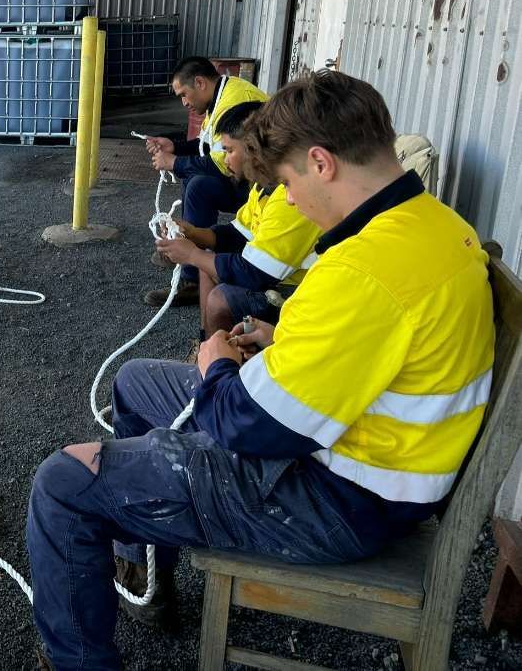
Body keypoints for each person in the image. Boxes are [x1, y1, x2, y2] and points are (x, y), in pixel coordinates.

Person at [26, 70, 494, 669]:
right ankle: (142, 569)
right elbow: (383, 348)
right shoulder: (433, 226)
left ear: (321, 163)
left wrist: (218, 364)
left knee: (64, 482)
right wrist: (283, 338)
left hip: (336, 497)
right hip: (360, 457)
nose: (289, 199)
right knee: (135, 379)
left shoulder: (366, 269)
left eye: (289, 181)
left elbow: (249, 428)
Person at [154, 100, 322, 341]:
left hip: (298, 290)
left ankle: (220, 365)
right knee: (208, 260)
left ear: (254, 148)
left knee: (221, 298)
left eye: (229, 150)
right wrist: (191, 233)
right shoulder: (263, 186)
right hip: (278, 276)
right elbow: (236, 235)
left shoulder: (289, 199)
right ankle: (208, 347)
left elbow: (255, 274)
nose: (225, 159)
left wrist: (192, 255)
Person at [142, 57, 267, 307]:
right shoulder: (221, 96)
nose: (184, 102)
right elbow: (208, 149)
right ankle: (191, 255)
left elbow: (220, 161)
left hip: (261, 183)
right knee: (195, 178)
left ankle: (193, 275)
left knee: (199, 185)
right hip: (253, 180)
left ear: (199, 83)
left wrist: (175, 162)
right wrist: (174, 147)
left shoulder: (235, 100)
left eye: (183, 95)